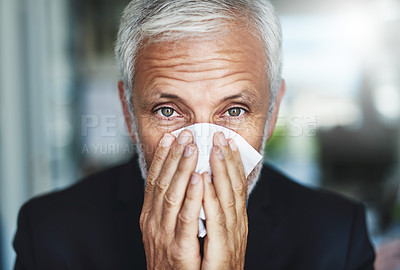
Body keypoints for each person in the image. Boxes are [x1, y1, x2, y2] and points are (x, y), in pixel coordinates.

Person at [13, 0, 375, 269]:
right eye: (168, 111)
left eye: (234, 111)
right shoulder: (50, 234)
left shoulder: (336, 237)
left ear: (273, 111)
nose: (202, 154)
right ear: (127, 112)